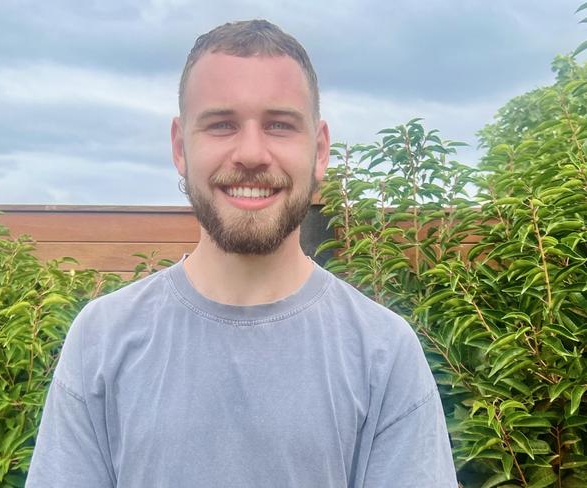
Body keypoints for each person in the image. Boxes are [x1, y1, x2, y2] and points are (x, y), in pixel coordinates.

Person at [26, 19, 458, 488]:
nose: (251, 153)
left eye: (279, 125)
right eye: (221, 125)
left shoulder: (383, 353)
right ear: (179, 147)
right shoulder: (101, 340)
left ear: (319, 150)